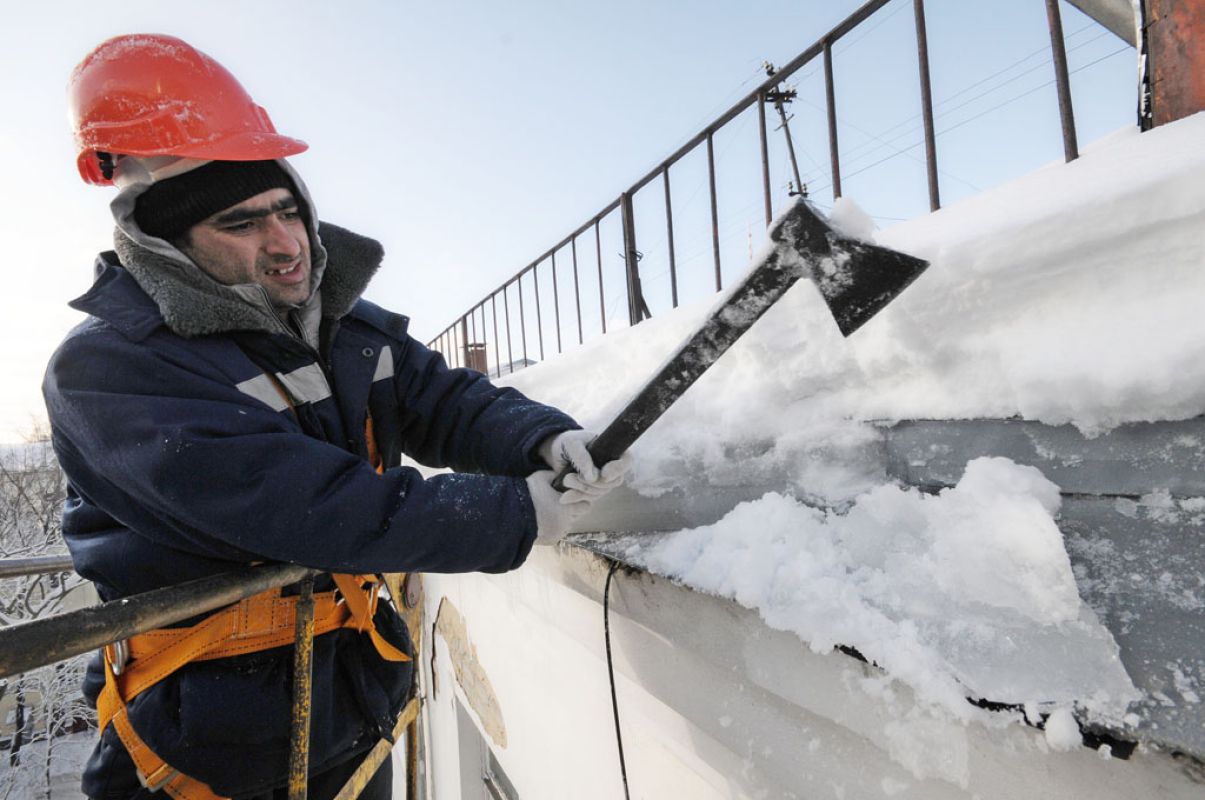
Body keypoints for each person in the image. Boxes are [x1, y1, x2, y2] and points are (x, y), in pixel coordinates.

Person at [43, 33, 628, 800]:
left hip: (348, 708)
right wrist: (513, 514)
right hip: (207, 749)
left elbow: (445, 399)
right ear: (166, 245)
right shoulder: (114, 370)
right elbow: (297, 502)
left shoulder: (340, 328)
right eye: (242, 225)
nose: (286, 245)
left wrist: (540, 436)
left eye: (288, 210)